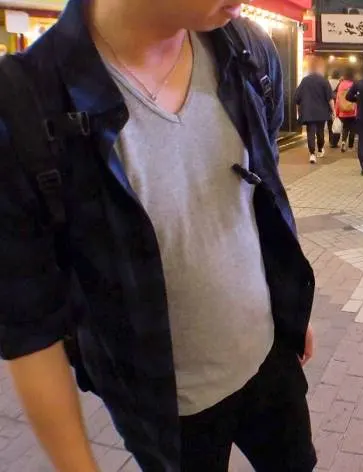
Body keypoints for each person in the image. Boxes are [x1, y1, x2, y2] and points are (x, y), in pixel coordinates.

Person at [0, 1, 317, 471]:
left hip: (271, 358)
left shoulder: (247, 49)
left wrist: (288, 300)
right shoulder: (29, 101)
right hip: (163, 404)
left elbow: (261, 189)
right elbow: (29, 328)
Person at [294, 59, 335, 164]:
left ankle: (312, 154)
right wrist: (333, 111)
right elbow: (330, 98)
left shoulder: (305, 80)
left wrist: (299, 110)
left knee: (310, 133)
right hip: (322, 112)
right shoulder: (324, 81)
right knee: (320, 132)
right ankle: (320, 149)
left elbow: (297, 97)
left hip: (308, 111)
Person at [335, 68, 357, 152]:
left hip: (343, 111)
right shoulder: (354, 84)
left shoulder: (341, 84)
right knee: (353, 129)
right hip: (353, 110)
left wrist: (337, 111)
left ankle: (343, 142)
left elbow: (338, 99)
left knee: (345, 128)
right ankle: (350, 146)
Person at [328, 69, 342, 148]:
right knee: (337, 123)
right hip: (337, 105)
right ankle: (335, 142)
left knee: (330, 123)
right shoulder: (340, 83)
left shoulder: (328, 82)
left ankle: (331, 140)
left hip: (329, 104)